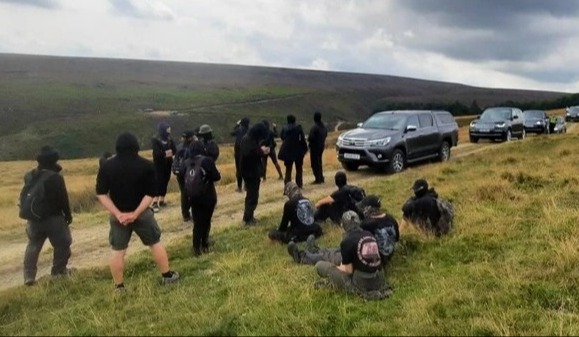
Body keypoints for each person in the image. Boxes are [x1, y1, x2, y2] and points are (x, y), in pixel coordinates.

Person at [96, 132, 180, 292]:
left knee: (117, 251)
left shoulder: (106, 166)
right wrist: (135, 214)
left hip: (118, 215)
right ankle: (167, 275)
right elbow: (150, 194)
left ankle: (119, 287)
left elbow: (101, 193)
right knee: (155, 243)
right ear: (136, 146)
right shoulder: (146, 165)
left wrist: (118, 214)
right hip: (142, 213)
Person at [288, 195, 399, 266]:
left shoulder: (367, 224)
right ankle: (315, 250)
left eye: (362, 208)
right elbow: (396, 239)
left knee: (332, 256)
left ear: (368, 209)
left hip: (370, 261)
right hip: (384, 257)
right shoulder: (391, 219)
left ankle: (302, 257)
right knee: (337, 250)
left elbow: (352, 241)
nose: (360, 210)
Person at [22, 146, 74, 286]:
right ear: (54, 160)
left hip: (33, 219)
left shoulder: (29, 176)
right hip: (53, 218)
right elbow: (63, 199)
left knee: (33, 246)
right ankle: (58, 271)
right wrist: (68, 215)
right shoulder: (56, 177)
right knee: (63, 244)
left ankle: (29, 276)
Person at [313, 211, 390, 300]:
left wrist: (336, 267)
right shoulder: (369, 234)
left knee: (320, 265)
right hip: (380, 278)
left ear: (343, 225)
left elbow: (348, 271)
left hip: (362, 283)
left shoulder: (347, 241)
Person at [186, 140, 221, 256]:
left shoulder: (187, 162)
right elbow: (216, 177)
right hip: (207, 196)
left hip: (192, 197)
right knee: (206, 221)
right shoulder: (207, 161)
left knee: (197, 223)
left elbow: (182, 175)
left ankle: (196, 247)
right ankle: (204, 244)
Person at [239, 122, 270, 226]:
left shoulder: (249, 138)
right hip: (250, 172)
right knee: (252, 195)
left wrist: (260, 150)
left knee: (253, 194)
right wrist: (262, 152)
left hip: (251, 171)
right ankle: (248, 219)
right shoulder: (247, 139)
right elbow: (249, 154)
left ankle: (250, 216)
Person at [151, 121, 176, 212]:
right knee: (158, 181)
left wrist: (164, 154)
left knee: (165, 180)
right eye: (167, 128)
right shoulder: (155, 140)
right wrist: (167, 153)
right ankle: (154, 202)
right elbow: (157, 154)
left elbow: (174, 150)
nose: (169, 130)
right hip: (158, 165)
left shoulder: (170, 140)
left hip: (167, 164)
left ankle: (162, 200)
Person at [277, 114, 308, 188]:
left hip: (287, 150)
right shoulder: (298, 128)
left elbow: (282, 137)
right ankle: (299, 185)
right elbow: (302, 139)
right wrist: (305, 148)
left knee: (288, 170)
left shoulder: (284, 128)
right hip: (298, 150)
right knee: (299, 169)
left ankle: (287, 187)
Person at [174, 130, 196, 222]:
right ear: (190, 137)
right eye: (193, 136)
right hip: (189, 172)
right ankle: (195, 214)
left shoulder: (178, 147)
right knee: (194, 192)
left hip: (179, 173)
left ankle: (185, 215)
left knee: (183, 193)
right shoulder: (192, 147)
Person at [308, 111, 328, 184]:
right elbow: (326, 134)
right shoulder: (324, 126)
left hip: (314, 147)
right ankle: (321, 177)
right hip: (321, 146)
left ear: (314, 118)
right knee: (319, 162)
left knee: (314, 163)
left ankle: (318, 179)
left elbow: (310, 137)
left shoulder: (314, 127)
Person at [231, 118, 250, 193]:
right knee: (247, 168)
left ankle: (239, 187)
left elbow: (232, 133)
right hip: (247, 152)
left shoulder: (238, 130)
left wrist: (237, 125)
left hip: (238, 152)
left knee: (239, 169)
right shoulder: (250, 130)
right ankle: (246, 185)